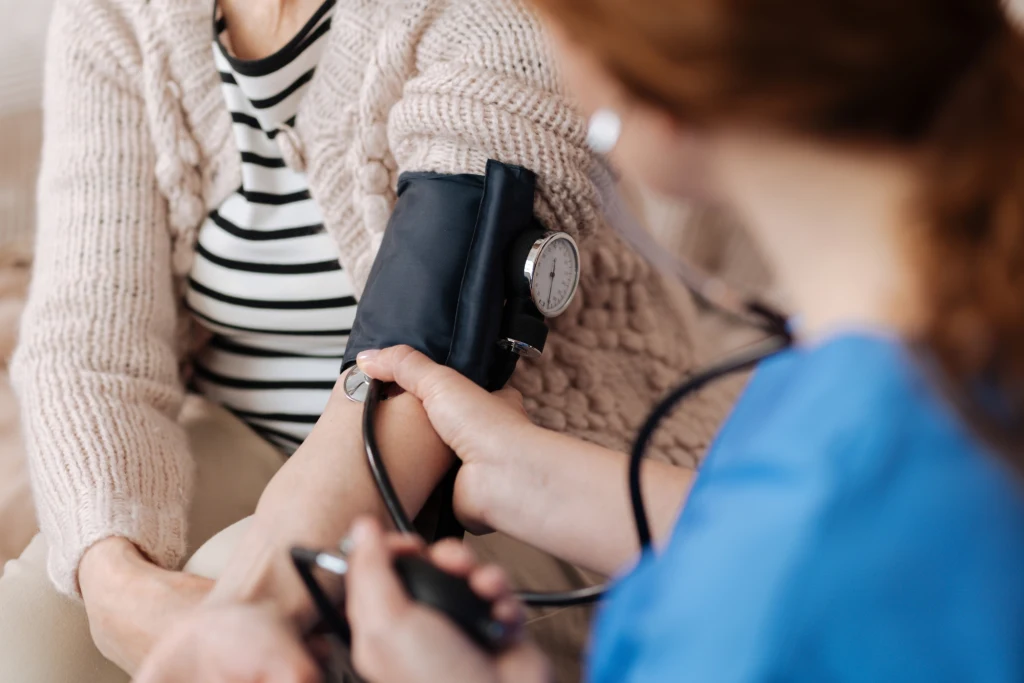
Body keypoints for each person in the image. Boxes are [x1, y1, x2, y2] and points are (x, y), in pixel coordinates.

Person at [136, 0, 1024, 680]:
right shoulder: (900, 397)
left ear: (656, 96)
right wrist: (532, 473)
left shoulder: (761, 593)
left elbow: (808, 568)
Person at [0, 0, 736, 680]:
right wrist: (117, 586)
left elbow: (423, 356)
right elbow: (85, 343)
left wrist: (247, 602)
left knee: (256, 600)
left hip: (503, 466)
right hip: (246, 434)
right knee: (36, 629)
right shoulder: (116, 16)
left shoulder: (496, 16)